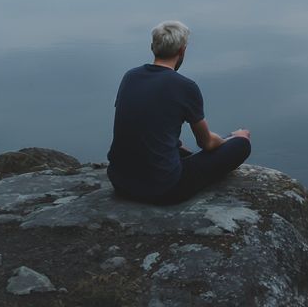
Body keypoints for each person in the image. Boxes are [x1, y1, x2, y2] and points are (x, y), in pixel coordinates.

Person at [107, 20, 251, 204]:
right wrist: (233, 138)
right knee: (242, 143)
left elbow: (140, 124)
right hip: (163, 189)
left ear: (152, 47)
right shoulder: (185, 86)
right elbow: (206, 143)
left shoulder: (130, 76)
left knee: (179, 148)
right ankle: (237, 138)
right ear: (182, 50)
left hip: (119, 181)